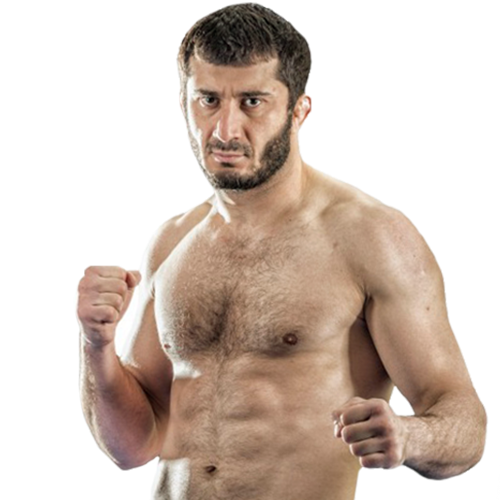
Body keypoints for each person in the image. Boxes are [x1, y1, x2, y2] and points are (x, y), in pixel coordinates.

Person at [76, 3, 488, 499]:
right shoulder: (170, 241)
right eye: (208, 100)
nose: (225, 130)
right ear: (183, 101)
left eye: (252, 102)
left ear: (299, 110)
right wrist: (96, 346)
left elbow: (465, 424)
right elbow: (132, 447)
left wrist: (410, 436)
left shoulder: (370, 236)